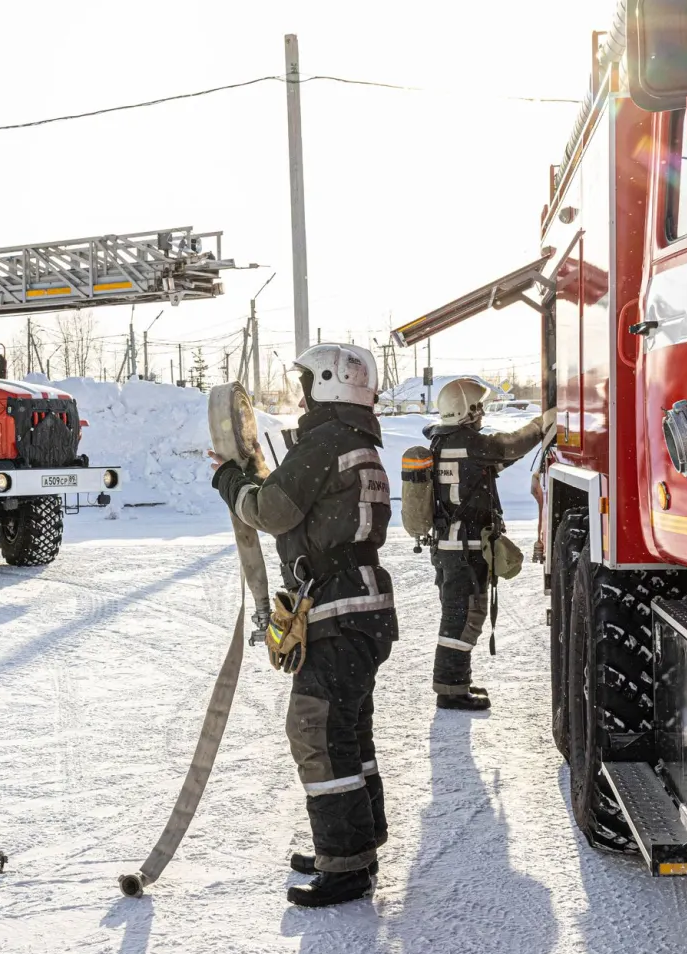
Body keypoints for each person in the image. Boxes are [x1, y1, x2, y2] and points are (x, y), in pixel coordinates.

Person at [211, 343, 396, 907]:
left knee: (315, 730)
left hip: (336, 613)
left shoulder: (325, 442)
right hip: (360, 610)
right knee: (347, 730)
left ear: (327, 386)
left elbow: (271, 511)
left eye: (305, 384)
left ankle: (346, 865)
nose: (299, 394)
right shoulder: (357, 441)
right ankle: (355, 840)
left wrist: (229, 481)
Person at [424, 378, 549, 710]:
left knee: (458, 614)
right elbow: (508, 446)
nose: (482, 415)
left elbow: (496, 459)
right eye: (478, 408)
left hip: (451, 547)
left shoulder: (442, 441)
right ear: (468, 411)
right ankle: (450, 690)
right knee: (463, 616)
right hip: (463, 548)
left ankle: (455, 681)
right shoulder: (469, 443)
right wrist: (541, 425)